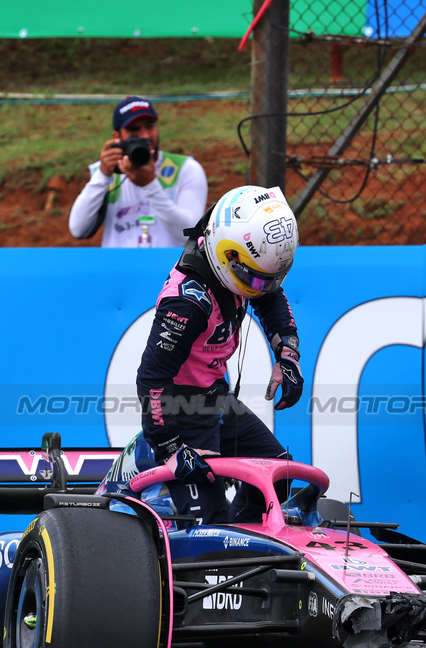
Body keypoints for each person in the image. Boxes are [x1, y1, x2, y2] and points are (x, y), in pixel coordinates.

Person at [135, 184, 303, 525]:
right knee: (208, 527)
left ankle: (244, 539)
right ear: (228, 256)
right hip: (181, 412)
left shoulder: (240, 259)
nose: (260, 288)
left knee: (278, 474)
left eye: (268, 279)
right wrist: (172, 448)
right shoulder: (187, 303)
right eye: (255, 280)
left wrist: (287, 352)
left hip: (216, 399)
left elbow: (270, 294)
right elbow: (152, 377)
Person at [68, 96, 209, 248]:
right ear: (117, 137)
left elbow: (190, 235)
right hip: (118, 263)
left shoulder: (185, 169)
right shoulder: (106, 172)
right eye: (134, 130)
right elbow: (77, 229)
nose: (145, 136)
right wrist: (102, 175)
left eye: (150, 126)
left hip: (171, 263)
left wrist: (150, 185)